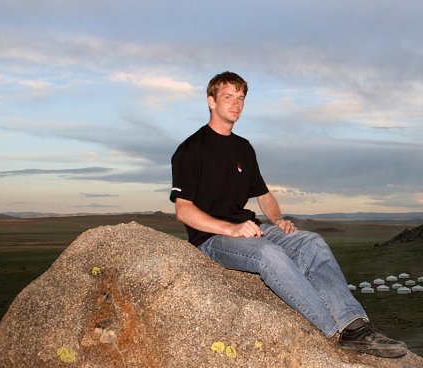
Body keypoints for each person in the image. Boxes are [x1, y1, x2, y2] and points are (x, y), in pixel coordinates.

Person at [170, 71, 407, 358]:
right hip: (213, 238)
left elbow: (263, 195)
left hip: (252, 229)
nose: (236, 104)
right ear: (211, 101)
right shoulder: (190, 149)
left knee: (312, 242)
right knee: (269, 254)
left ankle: (355, 326)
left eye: (241, 98)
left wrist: (278, 220)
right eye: (228, 97)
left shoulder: (243, 147)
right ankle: (332, 331)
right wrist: (230, 229)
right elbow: (183, 210)